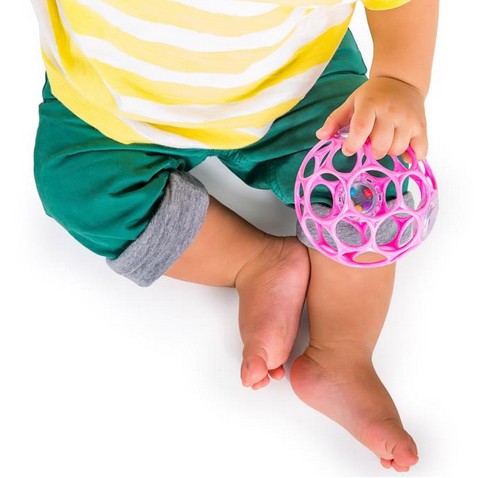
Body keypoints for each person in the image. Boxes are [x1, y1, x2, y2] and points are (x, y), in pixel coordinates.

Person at [30, 0, 438, 472]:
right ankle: (252, 261)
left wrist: (400, 80)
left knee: (370, 184)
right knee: (79, 186)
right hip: (112, 101)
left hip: (292, 80)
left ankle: (342, 352)